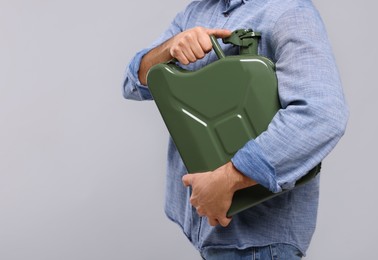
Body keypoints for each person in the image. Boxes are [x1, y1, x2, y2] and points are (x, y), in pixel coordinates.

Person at [123, 0, 348, 259]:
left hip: (260, 246)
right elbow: (131, 83)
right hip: (210, 239)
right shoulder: (197, 11)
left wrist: (229, 178)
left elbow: (321, 114)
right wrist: (169, 49)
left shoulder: (289, 11)